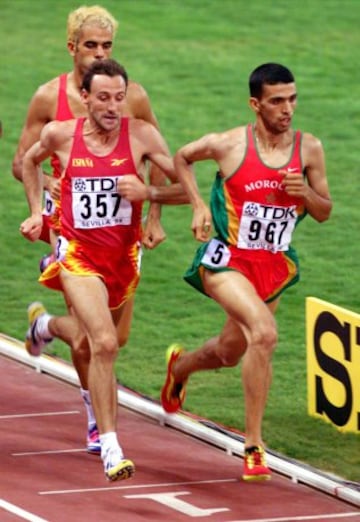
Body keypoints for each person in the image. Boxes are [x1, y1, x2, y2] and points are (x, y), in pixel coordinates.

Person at [13, 5, 186, 456]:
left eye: (106, 46)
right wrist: (42, 198)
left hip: (121, 227)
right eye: (90, 46)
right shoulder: (48, 98)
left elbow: (159, 163)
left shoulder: (133, 98)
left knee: (116, 336)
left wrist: (153, 218)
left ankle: (45, 325)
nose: (98, 54)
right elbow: (22, 161)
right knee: (97, 338)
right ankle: (95, 418)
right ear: (72, 48)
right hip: (66, 222)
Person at [161, 63, 332, 482]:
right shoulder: (228, 145)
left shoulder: (309, 149)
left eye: (292, 99)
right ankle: (254, 445)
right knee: (265, 333)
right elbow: (182, 157)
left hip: (272, 265)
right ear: (255, 104)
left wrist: (305, 193)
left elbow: (325, 212)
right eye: (277, 101)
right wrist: (199, 205)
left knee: (227, 352)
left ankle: (179, 368)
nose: (287, 109)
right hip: (227, 260)